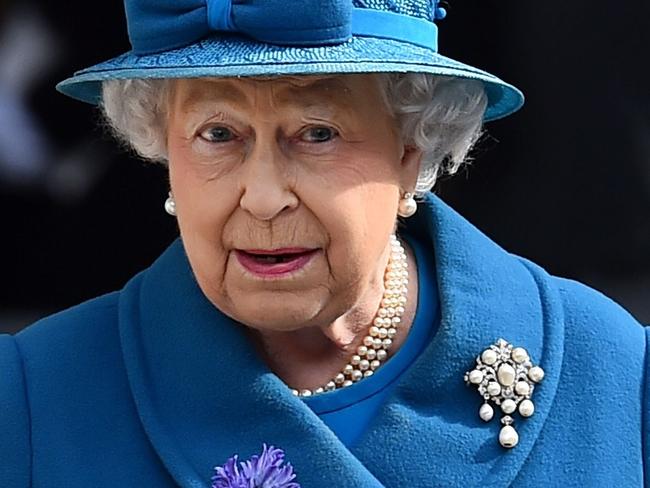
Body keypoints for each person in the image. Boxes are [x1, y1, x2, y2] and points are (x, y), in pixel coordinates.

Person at [1, 1, 647, 487]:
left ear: (410, 149)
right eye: (217, 134)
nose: (262, 196)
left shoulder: (616, 375)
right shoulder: (34, 396)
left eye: (316, 133)